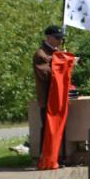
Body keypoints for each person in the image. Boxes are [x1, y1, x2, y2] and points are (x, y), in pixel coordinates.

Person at [33, 25, 67, 165]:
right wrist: (60, 62)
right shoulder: (40, 54)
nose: (60, 41)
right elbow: (46, 74)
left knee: (60, 128)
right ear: (48, 37)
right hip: (47, 98)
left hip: (58, 97)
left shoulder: (57, 52)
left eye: (61, 38)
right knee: (48, 129)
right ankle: (46, 158)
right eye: (57, 38)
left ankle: (60, 158)